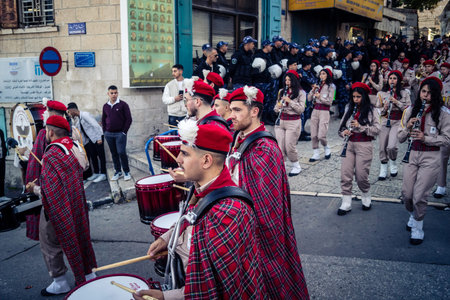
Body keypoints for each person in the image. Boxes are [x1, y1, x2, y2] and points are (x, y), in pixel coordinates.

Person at [135, 121, 265, 299]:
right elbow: (190, 221)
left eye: (185, 154)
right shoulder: (199, 188)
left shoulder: (227, 212)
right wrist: (167, 238)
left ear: (206, 161)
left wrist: (166, 297)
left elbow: (215, 289)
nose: (178, 159)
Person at [226, 86, 309, 299]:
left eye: (236, 110)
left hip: (258, 229)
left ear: (254, 111)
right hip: (240, 222)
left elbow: (266, 205)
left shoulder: (264, 147)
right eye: (230, 109)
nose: (230, 115)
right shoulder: (239, 137)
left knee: (270, 276)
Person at [26, 115, 97, 296]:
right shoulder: (74, 146)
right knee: (81, 236)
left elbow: (49, 192)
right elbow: (85, 167)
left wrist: (33, 188)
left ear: (50, 132)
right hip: (76, 202)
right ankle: (88, 274)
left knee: (49, 242)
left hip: (59, 207)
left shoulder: (50, 155)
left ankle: (60, 282)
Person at [398, 76, 450, 245]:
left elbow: (447, 139)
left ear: (436, 94)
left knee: (420, 195)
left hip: (431, 155)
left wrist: (425, 137)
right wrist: (408, 128)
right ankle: (413, 214)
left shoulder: (443, 113)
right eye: (423, 91)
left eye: (429, 93)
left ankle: (418, 226)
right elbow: (399, 137)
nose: (425, 96)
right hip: (413, 153)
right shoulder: (412, 109)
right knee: (407, 193)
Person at [24, 100, 68, 241]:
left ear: (50, 112)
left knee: (50, 245)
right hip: (68, 188)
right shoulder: (70, 130)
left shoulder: (45, 133)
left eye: (47, 110)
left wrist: (33, 187)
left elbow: (36, 162)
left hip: (50, 189)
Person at [337, 82, 381, 215]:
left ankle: (366, 194)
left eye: (358, 97)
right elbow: (341, 127)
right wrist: (343, 132)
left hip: (364, 145)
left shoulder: (372, 110)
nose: (355, 99)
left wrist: (361, 127)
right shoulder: (349, 107)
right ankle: (346, 202)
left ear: (364, 97)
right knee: (346, 174)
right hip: (349, 144)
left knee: (361, 176)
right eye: (354, 97)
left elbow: (377, 129)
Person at [377, 70, 411, 180]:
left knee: (391, 146)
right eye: (390, 78)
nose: (392, 80)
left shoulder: (405, 93)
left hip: (397, 121)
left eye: (394, 78)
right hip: (385, 120)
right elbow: (377, 110)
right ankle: (383, 166)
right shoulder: (382, 93)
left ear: (399, 80)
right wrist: (384, 108)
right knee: (382, 146)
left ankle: (393, 162)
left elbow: (408, 109)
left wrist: (397, 102)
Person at [274, 70, 305, 176]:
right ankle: (282, 166)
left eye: (289, 80)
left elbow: (301, 109)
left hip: (293, 121)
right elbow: (275, 107)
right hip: (280, 121)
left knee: (289, 146)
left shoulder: (301, 93)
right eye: (286, 80)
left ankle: (296, 166)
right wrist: (278, 107)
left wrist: (290, 101)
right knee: (280, 146)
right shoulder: (281, 91)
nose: (287, 82)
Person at [67, 102, 107, 183]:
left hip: (97, 137)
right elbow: (81, 132)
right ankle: (96, 172)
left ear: (72, 110)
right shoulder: (78, 118)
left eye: (69, 112)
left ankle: (103, 174)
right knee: (93, 156)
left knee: (101, 156)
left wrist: (99, 138)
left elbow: (95, 125)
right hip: (91, 139)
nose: (69, 114)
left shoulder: (85, 115)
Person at [102, 85, 133, 181]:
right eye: (112, 93)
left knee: (121, 152)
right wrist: (105, 131)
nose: (114, 95)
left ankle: (126, 171)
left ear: (117, 93)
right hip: (109, 134)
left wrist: (124, 132)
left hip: (120, 134)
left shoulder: (123, 104)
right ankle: (118, 172)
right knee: (114, 153)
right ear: (108, 94)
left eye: (115, 93)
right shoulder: (105, 106)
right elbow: (103, 119)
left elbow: (129, 119)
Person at [308, 68, 336, 162]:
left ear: (328, 75)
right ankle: (316, 152)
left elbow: (330, 102)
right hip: (315, 110)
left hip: (324, 111)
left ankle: (326, 146)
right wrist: (312, 91)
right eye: (320, 74)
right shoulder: (318, 85)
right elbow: (308, 99)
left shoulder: (331, 86)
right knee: (313, 134)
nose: (321, 76)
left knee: (321, 135)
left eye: (323, 74)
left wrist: (320, 97)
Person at [434, 62, 450, 198]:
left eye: (444, 68)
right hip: (445, 119)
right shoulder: (440, 80)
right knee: (443, 155)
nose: (442, 70)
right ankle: (441, 186)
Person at [0, 129, 5, 197]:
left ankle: (2, 194)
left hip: (1, 158)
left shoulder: (1, 132)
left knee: (2, 177)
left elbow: (3, 143)